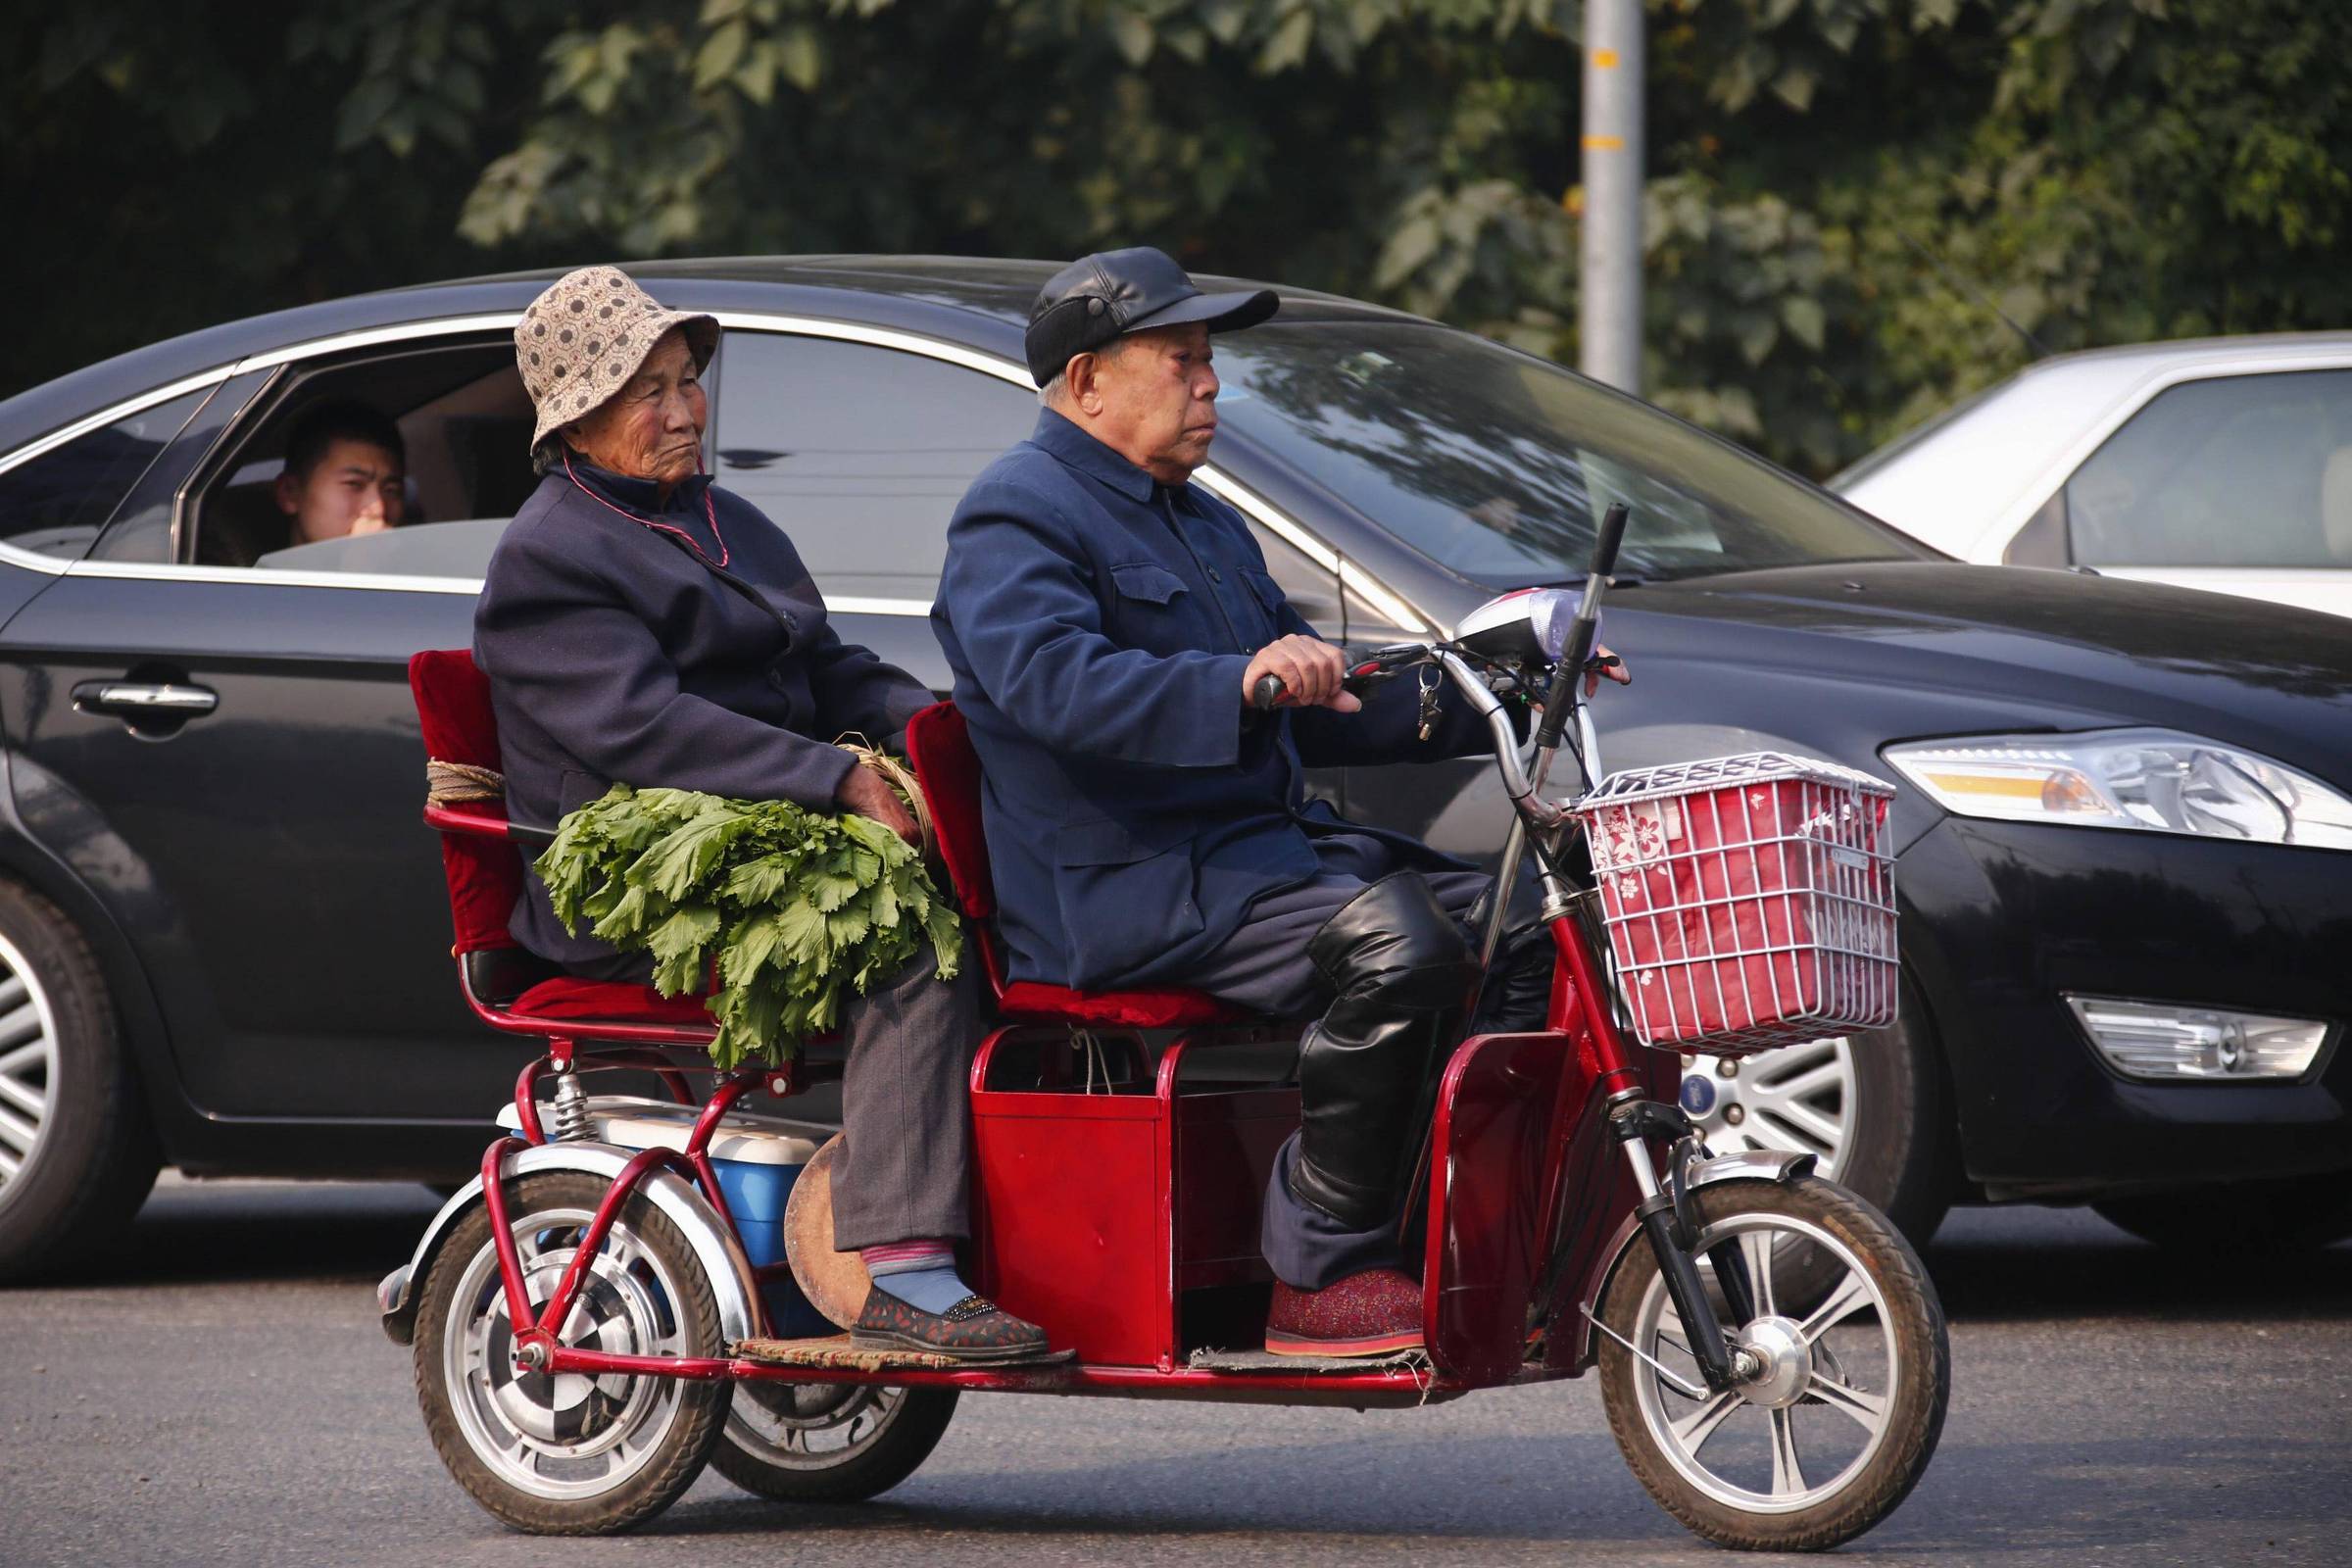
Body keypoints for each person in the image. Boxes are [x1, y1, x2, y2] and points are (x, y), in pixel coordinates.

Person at [932, 247, 1627, 1358]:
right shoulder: (1017, 511)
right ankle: (1319, 1274)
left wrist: (1502, 679)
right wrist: (1239, 679)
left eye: (1210, 361)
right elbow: (1050, 687)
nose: (1210, 384)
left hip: (1258, 861)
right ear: (1087, 380)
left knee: (1525, 923)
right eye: (1182, 359)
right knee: (1398, 946)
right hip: (1130, 889)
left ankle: (1456, 1232)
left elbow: (1317, 697)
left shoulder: (1198, 520)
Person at [474, 265, 1049, 1364]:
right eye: (650, 391)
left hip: (762, 830)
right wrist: (834, 779)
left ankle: (1030, 1227)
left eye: (688, 381)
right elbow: (645, 730)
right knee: (903, 937)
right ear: (578, 418)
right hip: (645, 882)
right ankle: (905, 1268)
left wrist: (950, 738)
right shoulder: (549, 555)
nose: (686, 410)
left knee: (1014, 882)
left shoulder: (722, 518)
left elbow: (827, 668)